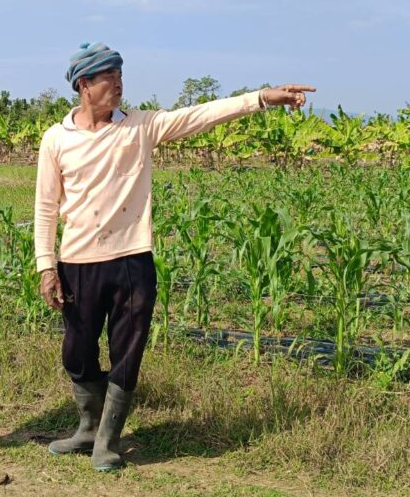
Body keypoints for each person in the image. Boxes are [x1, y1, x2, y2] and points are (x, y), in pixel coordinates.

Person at [35, 42, 314, 471]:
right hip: (78, 263)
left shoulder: (140, 127)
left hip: (131, 261)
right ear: (84, 85)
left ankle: (107, 440)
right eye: (109, 77)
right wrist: (46, 266)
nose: (119, 84)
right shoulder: (57, 139)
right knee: (76, 351)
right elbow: (45, 207)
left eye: (120, 75)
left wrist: (261, 98)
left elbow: (200, 115)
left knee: (128, 350)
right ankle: (87, 427)